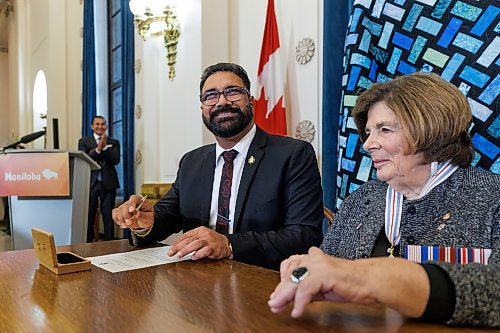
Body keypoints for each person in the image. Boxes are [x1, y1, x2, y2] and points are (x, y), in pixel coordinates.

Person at [268, 73, 499, 327]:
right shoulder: (360, 200)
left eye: (384, 130)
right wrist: (305, 270)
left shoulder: (492, 197)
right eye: (367, 133)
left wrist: (379, 277)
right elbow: (328, 264)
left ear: (432, 129)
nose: (368, 144)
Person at [112, 63, 323, 270]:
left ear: (251, 101)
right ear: (202, 107)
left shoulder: (293, 154)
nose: (221, 102)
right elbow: (168, 215)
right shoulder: (192, 162)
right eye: (210, 95)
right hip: (199, 281)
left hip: (265, 283)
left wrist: (228, 244)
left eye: (232, 92)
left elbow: (304, 235)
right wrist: (146, 221)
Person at [78, 116, 120, 242]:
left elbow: (116, 160)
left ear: (106, 126)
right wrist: (98, 149)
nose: (100, 126)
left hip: (108, 183)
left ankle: (110, 245)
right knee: (89, 216)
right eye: (97, 124)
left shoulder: (114, 142)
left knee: (108, 216)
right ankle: (88, 244)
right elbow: (85, 158)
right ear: (92, 126)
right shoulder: (84, 141)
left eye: (103, 124)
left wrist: (105, 148)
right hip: (90, 182)